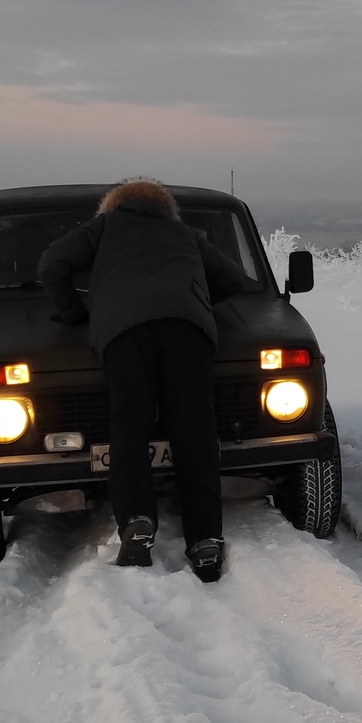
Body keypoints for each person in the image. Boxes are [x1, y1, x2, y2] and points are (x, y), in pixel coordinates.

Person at [38, 179, 252, 580]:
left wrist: (75, 313)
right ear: (166, 209)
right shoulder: (183, 233)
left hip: (126, 334)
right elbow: (234, 280)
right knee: (195, 432)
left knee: (129, 427)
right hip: (187, 333)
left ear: (112, 206)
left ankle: (137, 524)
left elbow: (52, 264)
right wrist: (194, 300)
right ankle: (205, 541)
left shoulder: (102, 229)